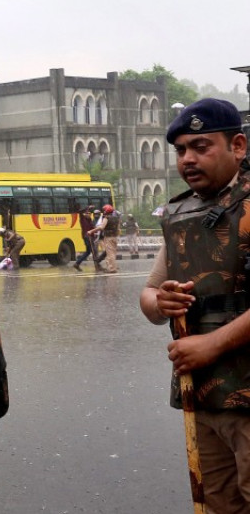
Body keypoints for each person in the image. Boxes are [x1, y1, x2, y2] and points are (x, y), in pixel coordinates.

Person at [139, 98, 250, 513]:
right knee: (219, 504)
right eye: (181, 149)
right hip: (202, 395)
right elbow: (149, 297)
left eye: (201, 147)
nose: (188, 158)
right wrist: (160, 301)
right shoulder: (180, 213)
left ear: (237, 146)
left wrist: (213, 344)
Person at [88, 204, 119, 273]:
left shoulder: (106, 218)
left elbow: (101, 227)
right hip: (115, 237)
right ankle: (113, 267)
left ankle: (112, 269)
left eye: (104, 210)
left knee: (110, 253)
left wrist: (91, 231)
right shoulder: (116, 218)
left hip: (108, 237)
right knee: (113, 253)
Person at [73, 206, 101, 271]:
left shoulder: (90, 220)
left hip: (91, 237)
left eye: (89, 213)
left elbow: (92, 228)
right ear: (84, 214)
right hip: (87, 237)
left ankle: (77, 263)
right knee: (94, 251)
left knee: (88, 252)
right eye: (87, 213)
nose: (88, 214)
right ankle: (97, 266)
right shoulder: (82, 219)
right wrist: (88, 207)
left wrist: (95, 234)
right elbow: (80, 211)